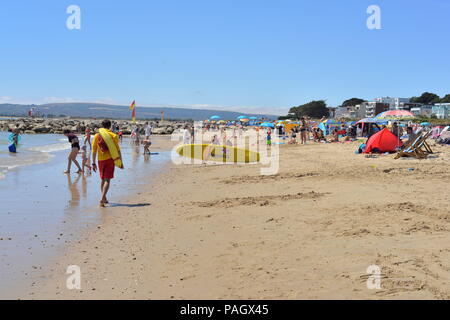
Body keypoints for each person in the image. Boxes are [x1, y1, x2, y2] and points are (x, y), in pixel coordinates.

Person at [92, 119, 124, 207]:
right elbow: (117, 150)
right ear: (110, 126)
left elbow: (94, 151)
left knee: (102, 179)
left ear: (102, 126)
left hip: (100, 160)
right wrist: (120, 161)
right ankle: (103, 198)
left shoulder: (96, 136)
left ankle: (104, 198)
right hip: (110, 160)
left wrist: (93, 163)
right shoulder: (113, 135)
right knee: (107, 180)